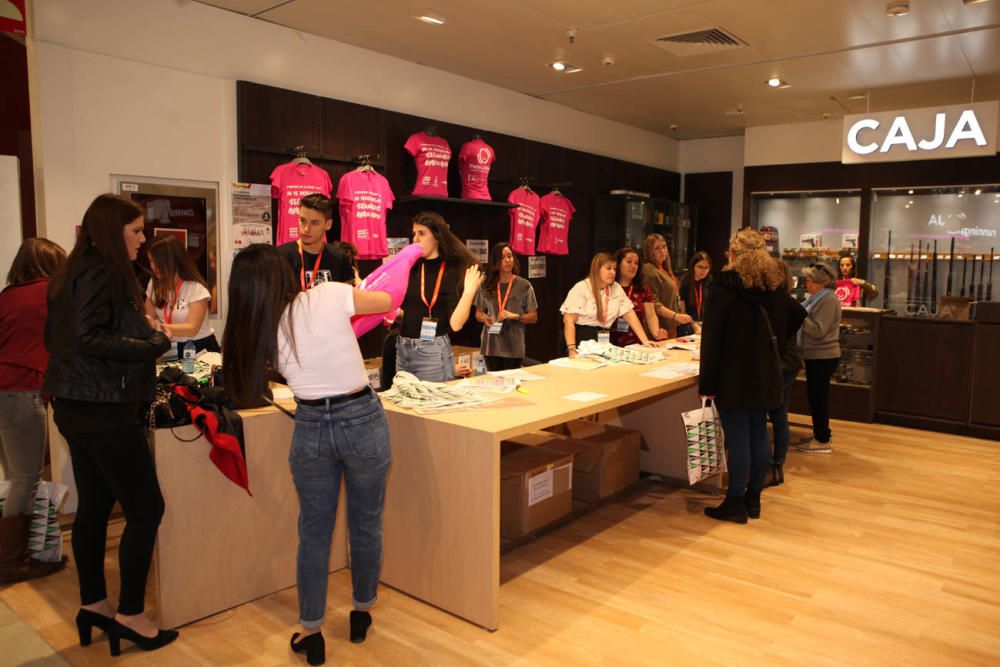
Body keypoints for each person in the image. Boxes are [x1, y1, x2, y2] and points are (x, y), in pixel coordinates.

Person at [222, 244, 393, 666]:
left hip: (311, 427)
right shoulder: (327, 294)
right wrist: (357, 286)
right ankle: (361, 611)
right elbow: (387, 300)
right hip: (362, 418)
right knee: (365, 523)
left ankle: (311, 629)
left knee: (313, 534)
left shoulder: (255, 330)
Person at [45, 194, 176, 654]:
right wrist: (153, 343)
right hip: (102, 408)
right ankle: (132, 613)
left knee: (96, 508)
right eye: (137, 230)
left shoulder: (71, 272)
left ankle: (95, 603)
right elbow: (89, 336)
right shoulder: (101, 271)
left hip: (74, 405)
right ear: (111, 229)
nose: (144, 239)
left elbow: (70, 336)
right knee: (146, 509)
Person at [699, 228, 798, 523]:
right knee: (757, 434)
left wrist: (708, 384)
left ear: (733, 253)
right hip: (765, 373)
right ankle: (754, 499)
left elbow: (712, 339)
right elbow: (796, 316)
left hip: (734, 374)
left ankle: (735, 502)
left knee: (738, 438)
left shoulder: (725, 286)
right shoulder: (772, 286)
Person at [0, 238, 68, 585]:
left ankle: (17, 554)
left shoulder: (8, 295)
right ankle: (11, 561)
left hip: (4, 391)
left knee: (16, 477)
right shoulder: (49, 295)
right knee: (26, 478)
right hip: (19, 392)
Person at [396, 212, 481, 382]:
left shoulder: (451, 271)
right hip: (403, 348)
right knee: (405, 406)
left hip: (432, 351)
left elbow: (456, 324)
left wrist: (469, 291)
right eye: (414, 233)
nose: (415, 239)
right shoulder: (411, 267)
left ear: (436, 237)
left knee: (431, 407)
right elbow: (408, 312)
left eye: (422, 233)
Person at [561, 252, 660, 357]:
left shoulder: (616, 288)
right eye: (608, 268)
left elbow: (630, 315)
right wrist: (572, 349)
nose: (613, 272)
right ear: (597, 269)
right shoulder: (582, 287)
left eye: (615, 269)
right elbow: (568, 320)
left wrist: (645, 341)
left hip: (604, 338)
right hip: (582, 339)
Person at [766, 260, 807, 486]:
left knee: (767, 415)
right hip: (789, 363)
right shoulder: (787, 301)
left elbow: (801, 314)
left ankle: (769, 465)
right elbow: (801, 314)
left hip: (780, 365)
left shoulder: (775, 301)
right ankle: (777, 464)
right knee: (780, 416)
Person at [143, 234, 219, 357]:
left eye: (160, 262)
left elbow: (192, 328)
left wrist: (158, 326)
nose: (154, 267)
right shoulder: (153, 284)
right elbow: (148, 318)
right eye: (151, 261)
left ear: (174, 260)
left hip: (199, 349)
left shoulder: (195, 288)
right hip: (168, 347)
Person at [797, 262, 842, 454]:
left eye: (809, 280)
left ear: (820, 282)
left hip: (823, 356)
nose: (806, 283)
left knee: (819, 398)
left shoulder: (828, 300)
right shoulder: (817, 298)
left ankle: (823, 440)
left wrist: (800, 316)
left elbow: (819, 331)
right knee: (816, 397)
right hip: (816, 355)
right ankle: (820, 434)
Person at [474, 242, 538, 371]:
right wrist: (484, 318)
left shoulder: (524, 285)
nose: (507, 260)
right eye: (502, 257)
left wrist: (515, 316)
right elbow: (478, 313)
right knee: (494, 384)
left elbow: (533, 317)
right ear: (495, 261)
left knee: (511, 384)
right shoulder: (486, 285)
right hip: (490, 346)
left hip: (513, 346)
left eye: (510, 256)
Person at [277, 193, 354, 290]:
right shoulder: (281, 257)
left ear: (328, 224)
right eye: (303, 220)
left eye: (314, 223)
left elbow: (345, 298)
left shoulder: (339, 257)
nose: (306, 229)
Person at [611, 247, 668, 347]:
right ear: (618, 264)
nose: (633, 266)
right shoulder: (609, 287)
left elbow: (651, 315)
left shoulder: (643, 289)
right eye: (629, 261)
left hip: (636, 344)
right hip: (610, 344)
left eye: (636, 263)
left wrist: (656, 333)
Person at [641, 233, 693, 338]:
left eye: (664, 247)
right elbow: (654, 303)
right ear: (649, 251)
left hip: (671, 325)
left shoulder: (663, 268)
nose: (662, 251)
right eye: (657, 248)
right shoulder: (649, 270)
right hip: (659, 329)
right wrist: (675, 316)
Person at [679, 250, 713, 334]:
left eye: (706, 268)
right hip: (689, 325)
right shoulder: (685, 282)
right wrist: (694, 325)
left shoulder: (710, 281)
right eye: (700, 267)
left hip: (705, 325)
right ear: (693, 266)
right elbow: (682, 311)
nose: (703, 271)